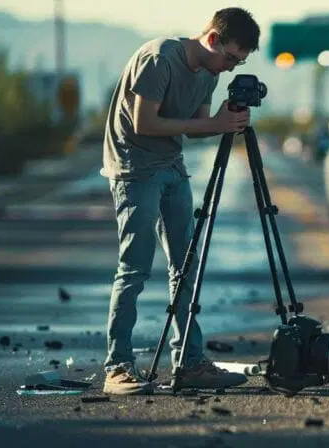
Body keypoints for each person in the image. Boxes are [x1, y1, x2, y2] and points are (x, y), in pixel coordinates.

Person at [100, 7, 261, 395]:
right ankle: (117, 367)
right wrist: (210, 125)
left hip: (173, 167)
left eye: (238, 62)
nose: (229, 67)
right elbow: (145, 123)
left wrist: (225, 120)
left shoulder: (208, 73)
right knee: (134, 270)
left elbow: (199, 126)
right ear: (212, 39)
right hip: (135, 171)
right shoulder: (159, 58)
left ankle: (189, 363)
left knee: (185, 267)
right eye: (231, 57)